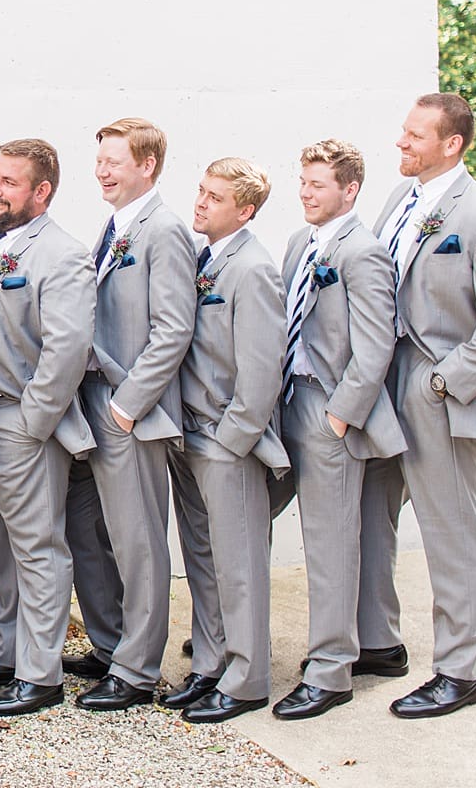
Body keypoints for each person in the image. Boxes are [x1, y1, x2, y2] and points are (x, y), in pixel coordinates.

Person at [362, 93, 476, 718]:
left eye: (414, 136)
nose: (401, 144)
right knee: (369, 511)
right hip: (379, 389)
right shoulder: (400, 200)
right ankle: (378, 642)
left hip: (439, 397)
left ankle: (463, 670)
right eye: (403, 132)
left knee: (452, 530)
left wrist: (442, 382)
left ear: (451, 144)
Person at [0, 139, 95, 717]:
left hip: (20, 421)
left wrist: (35, 420)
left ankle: (42, 675)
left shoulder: (60, 252)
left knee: (39, 547)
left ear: (41, 191)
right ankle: (10, 649)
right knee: (1, 542)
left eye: (10, 182)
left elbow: (67, 346)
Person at [271, 140, 405, 721]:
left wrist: (339, 415)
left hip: (329, 411)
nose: (305, 192)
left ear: (349, 190)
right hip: (287, 402)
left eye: (318, 184)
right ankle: (373, 644)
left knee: (328, 544)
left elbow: (376, 344)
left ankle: (330, 671)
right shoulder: (302, 242)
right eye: (303, 181)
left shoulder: (363, 251)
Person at [66, 118, 195, 712]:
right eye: (100, 161)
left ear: (147, 165)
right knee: (90, 532)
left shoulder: (164, 230)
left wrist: (125, 407)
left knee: (138, 541)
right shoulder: (116, 226)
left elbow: (173, 330)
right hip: (94, 407)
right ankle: (110, 642)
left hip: (130, 414)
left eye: (114, 162)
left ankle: (138, 669)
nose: (102, 171)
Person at [162, 157, 287, 724]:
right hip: (190, 437)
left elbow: (262, 372)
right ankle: (211, 666)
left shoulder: (253, 269)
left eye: (214, 197)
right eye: (201, 191)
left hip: (226, 442)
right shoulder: (204, 259)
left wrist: (233, 440)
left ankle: (247, 679)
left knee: (240, 565)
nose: (201, 203)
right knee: (204, 561)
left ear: (246, 210)